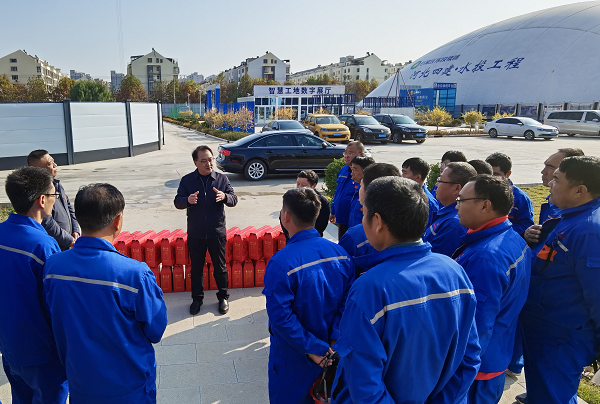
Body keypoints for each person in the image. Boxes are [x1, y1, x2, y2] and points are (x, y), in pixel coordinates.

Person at [332, 176, 481, 404]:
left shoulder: (370, 288)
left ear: (378, 221)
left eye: (364, 214)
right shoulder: (454, 271)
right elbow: (469, 357)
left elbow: (365, 384)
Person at [43, 183, 167, 404]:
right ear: (117, 221)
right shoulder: (134, 274)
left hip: (80, 383)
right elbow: (155, 330)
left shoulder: (53, 267)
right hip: (129, 387)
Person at [518, 156, 600, 404]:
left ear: (579, 190)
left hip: (562, 337)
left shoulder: (589, 231)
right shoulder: (571, 218)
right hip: (545, 328)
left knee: (552, 396)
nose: (549, 183)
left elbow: (597, 293)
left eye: (556, 179)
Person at [264, 188, 355, 404]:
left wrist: (312, 348)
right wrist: (333, 339)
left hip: (294, 359)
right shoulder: (341, 254)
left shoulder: (281, 263)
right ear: (317, 214)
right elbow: (348, 303)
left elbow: (281, 318)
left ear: (286, 216)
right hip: (333, 354)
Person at [453, 175, 531, 404]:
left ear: (485, 205)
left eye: (461, 200)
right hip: (497, 351)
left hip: (476, 369)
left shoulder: (485, 258)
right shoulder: (512, 238)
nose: (457, 206)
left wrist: (459, 371)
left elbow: (476, 325)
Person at [510, 148, 584, 382]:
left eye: (553, 170)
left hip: (560, 323)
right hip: (541, 312)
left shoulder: (587, 227)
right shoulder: (555, 204)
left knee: (555, 382)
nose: (545, 173)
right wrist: (531, 236)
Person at [0, 166, 69, 404]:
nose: (54, 200)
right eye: (53, 195)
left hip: (10, 345)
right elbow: (55, 305)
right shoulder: (43, 245)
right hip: (41, 352)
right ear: (41, 200)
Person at [174, 145, 238, 315]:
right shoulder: (187, 181)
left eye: (210, 159)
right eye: (203, 161)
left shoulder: (221, 179)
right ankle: (197, 299)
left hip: (217, 232)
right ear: (195, 162)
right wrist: (187, 200)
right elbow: (177, 201)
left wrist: (225, 196)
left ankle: (223, 297)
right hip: (196, 233)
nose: (208, 163)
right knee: (196, 268)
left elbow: (234, 199)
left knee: (220, 267)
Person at [339, 163, 400, 276]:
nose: (359, 189)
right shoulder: (408, 227)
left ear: (369, 191)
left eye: (361, 185)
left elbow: (341, 274)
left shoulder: (354, 237)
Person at [28, 149, 81, 251]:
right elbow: (47, 222)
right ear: (38, 170)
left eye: (53, 161)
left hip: (69, 243)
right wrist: (68, 239)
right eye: (50, 163)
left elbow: (69, 208)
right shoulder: (39, 194)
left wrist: (75, 230)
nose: (55, 165)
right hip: (56, 247)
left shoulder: (57, 184)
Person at [423, 162, 477, 257]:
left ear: (456, 188)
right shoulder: (447, 214)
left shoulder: (452, 225)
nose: (436, 184)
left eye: (440, 180)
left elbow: (436, 260)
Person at [485, 152, 534, 236]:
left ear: (508, 174)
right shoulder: (478, 192)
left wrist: (501, 233)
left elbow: (526, 224)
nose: (491, 178)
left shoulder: (520, 198)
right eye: (488, 174)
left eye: (496, 175)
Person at [281, 170, 330, 240]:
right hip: (293, 238)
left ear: (313, 186)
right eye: (298, 184)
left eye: (304, 185)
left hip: (313, 239)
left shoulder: (322, 202)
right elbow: (283, 217)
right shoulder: (291, 198)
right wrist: (290, 234)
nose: (299, 187)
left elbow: (321, 224)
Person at [329, 141, 364, 239]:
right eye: (345, 153)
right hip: (341, 219)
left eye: (351, 153)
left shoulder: (363, 173)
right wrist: (333, 211)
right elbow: (337, 192)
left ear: (361, 154)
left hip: (355, 221)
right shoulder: (343, 170)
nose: (347, 156)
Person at [402, 157, 439, 227]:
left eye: (405, 173)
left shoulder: (427, 202)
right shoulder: (408, 194)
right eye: (402, 172)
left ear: (417, 177)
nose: (402, 176)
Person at [347, 156, 374, 228]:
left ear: (366, 171)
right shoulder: (358, 188)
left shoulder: (371, 193)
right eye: (351, 170)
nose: (352, 173)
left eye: (354, 170)